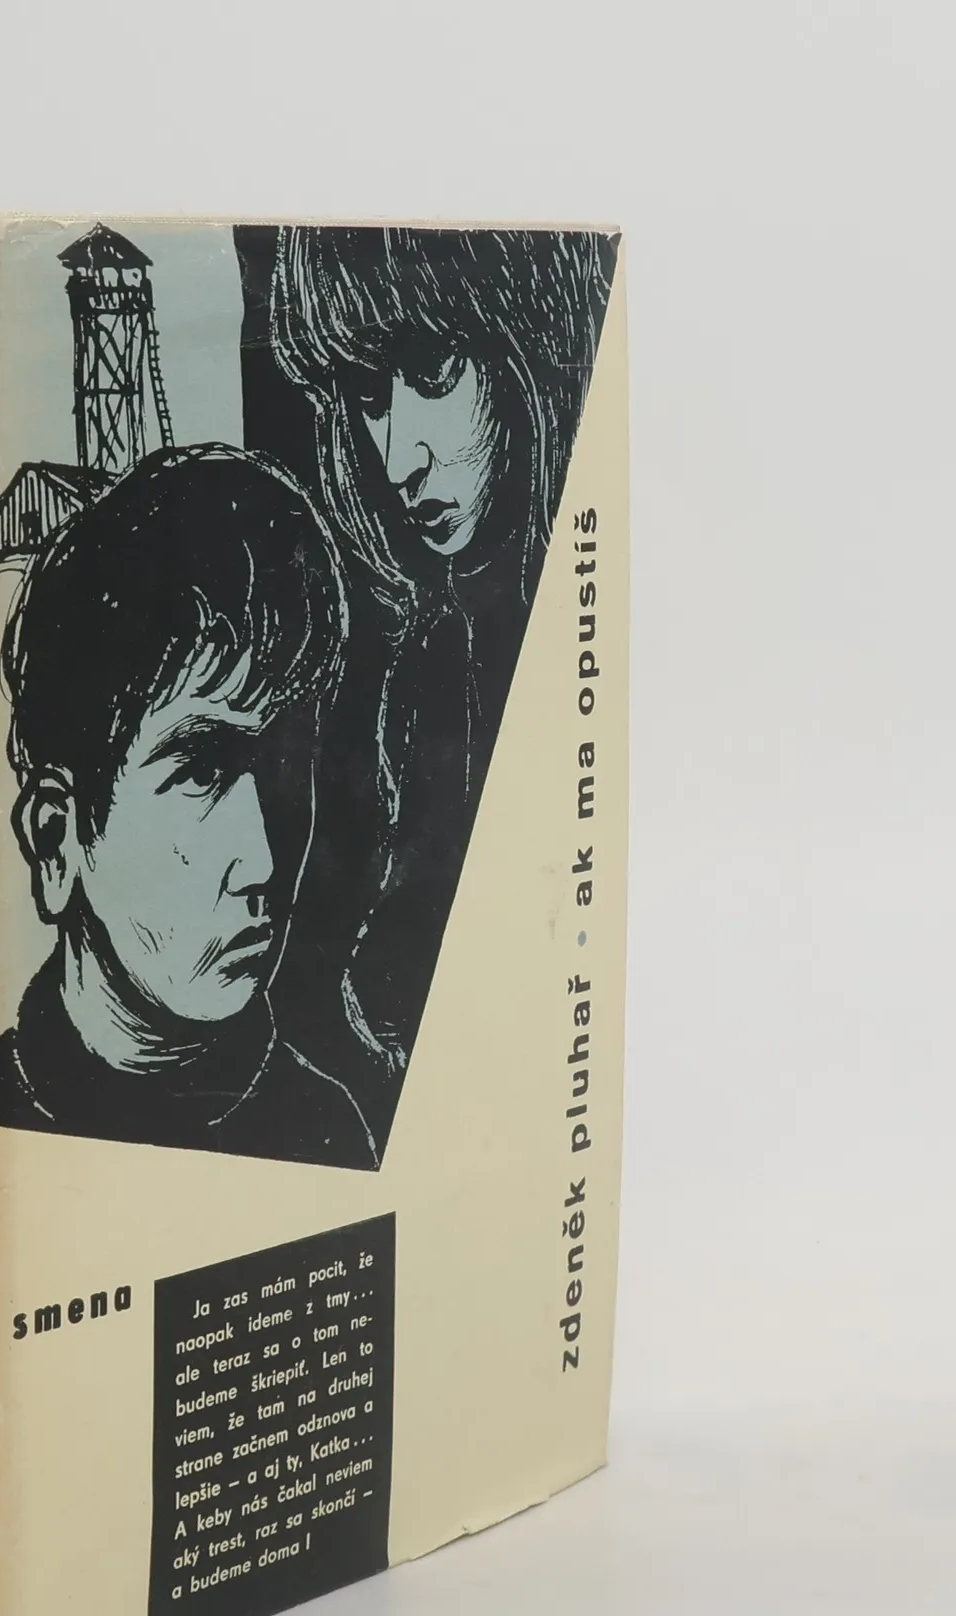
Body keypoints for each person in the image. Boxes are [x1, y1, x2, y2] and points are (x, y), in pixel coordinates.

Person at [261, 225, 618, 1130]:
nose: (400, 457)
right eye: (369, 396)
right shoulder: (424, 655)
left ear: (528, 337)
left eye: (430, 372)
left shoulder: (550, 628)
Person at [0, 443, 377, 1171]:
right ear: (57, 839)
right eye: (202, 771)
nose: (263, 863)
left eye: (288, 764)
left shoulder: (329, 1134)